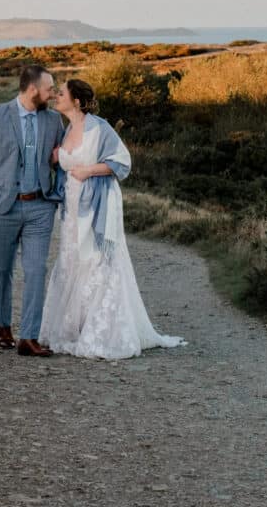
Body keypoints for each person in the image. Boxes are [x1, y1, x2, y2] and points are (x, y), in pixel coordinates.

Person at [39, 78, 185, 359]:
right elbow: (65, 164)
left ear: (77, 101)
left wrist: (89, 170)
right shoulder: (66, 129)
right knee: (72, 260)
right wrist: (57, 159)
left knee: (96, 261)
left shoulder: (99, 128)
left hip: (98, 206)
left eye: (62, 93)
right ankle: (75, 327)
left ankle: (101, 330)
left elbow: (122, 161)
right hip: (72, 208)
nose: (57, 96)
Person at [0, 64, 65, 356]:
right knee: (2, 270)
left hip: (40, 207)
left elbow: (62, 161)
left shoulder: (54, 121)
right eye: (49, 88)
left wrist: (57, 193)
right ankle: (3, 327)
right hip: (3, 208)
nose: (53, 93)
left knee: (36, 270)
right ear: (33, 89)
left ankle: (28, 337)